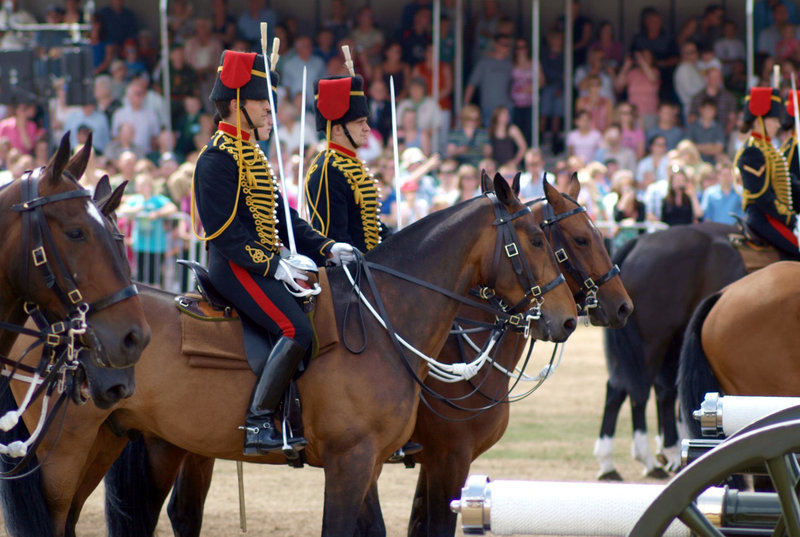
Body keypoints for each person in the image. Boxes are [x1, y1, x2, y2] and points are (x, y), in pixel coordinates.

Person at [193, 50, 355, 455]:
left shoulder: (253, 155)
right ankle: (257, 422)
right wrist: (274, 264)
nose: (271, 111)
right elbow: (225, 232)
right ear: (236, 105)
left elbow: (285, 217)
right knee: (295, 328)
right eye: (263, 104)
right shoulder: (216, 159)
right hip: (235, 266)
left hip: (264, 265)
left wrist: (326, 246)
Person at [305, 73, 387, 253]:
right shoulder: (328, 170)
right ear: (337, 129)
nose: (367, 129)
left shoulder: (352, 163)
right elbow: (335, 237)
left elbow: (370, 226)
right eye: (360, 123)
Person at [735, 86, 800, 259]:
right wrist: (791, 219)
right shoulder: (752, 152)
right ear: (759, 120)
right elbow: (763, 198)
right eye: (774, 119)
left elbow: (789, 184)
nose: (779, 124)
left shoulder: (770, 149)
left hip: (776, 216)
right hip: (763, 218)